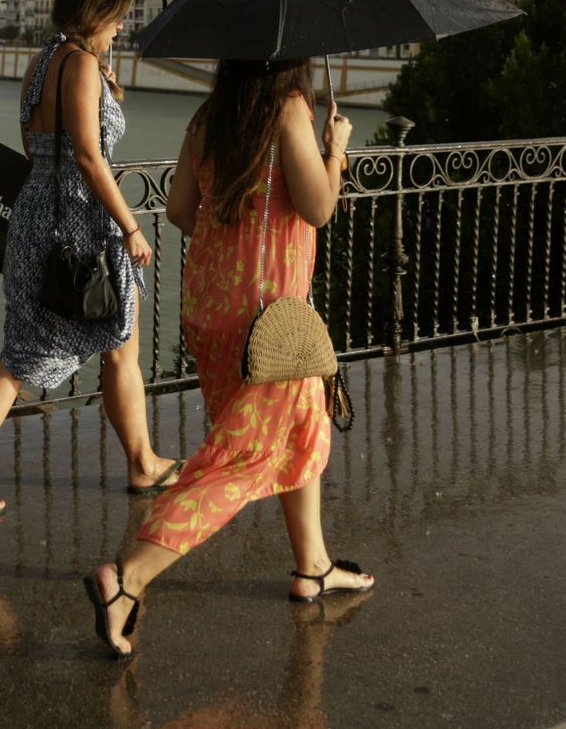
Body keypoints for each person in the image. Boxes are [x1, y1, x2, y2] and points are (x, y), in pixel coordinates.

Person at [81, 57, 370, 656]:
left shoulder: (208, 117)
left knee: (298, 428)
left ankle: (313, 565)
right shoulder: (289, 111)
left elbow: (182, 211)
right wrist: (335, 148)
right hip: (268, 316)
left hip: (213, 307)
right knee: (242, 459)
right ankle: (128, 578)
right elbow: (318, 209)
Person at [0, 0, 180, 518]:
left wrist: (104, 99)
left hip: (34, 214)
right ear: (96, 15)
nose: (119, 29)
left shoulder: (41, 61)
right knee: (59, 350)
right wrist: (131, 225)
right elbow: (90, 158)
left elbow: (34, 143)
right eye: (116, 19)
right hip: (80, 219)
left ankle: (140, 461)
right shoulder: (83, 63)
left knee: (79, 346)